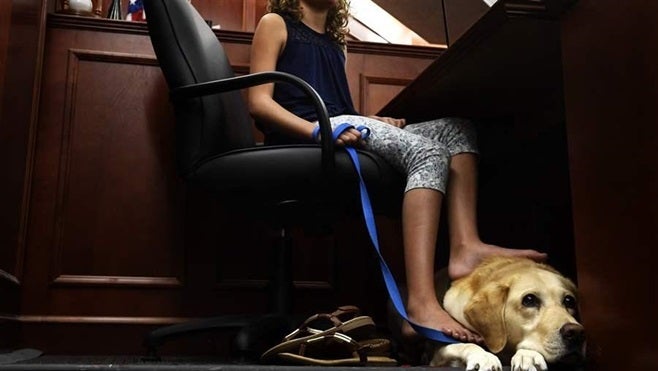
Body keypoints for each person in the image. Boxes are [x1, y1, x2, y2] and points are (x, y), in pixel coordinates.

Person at [247, 0, 547, 343]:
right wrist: (317, 131)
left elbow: (341, 109)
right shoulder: (276, 23)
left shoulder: (336, 41)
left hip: (342, 124)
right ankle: (419, 303)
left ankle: (465, 245)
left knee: (456, 131)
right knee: (429, 152)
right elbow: (259, 103)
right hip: (311, 132)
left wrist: (371, 121)